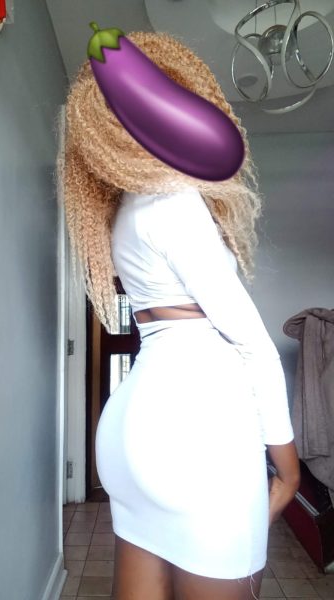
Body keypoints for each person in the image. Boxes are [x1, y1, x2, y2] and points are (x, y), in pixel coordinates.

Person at [64, 30, 300, 600]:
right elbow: (251, 343)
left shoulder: (127, 213)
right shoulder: (172, 203)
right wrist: (288, 466)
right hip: (197, 429)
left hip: (134, 429)